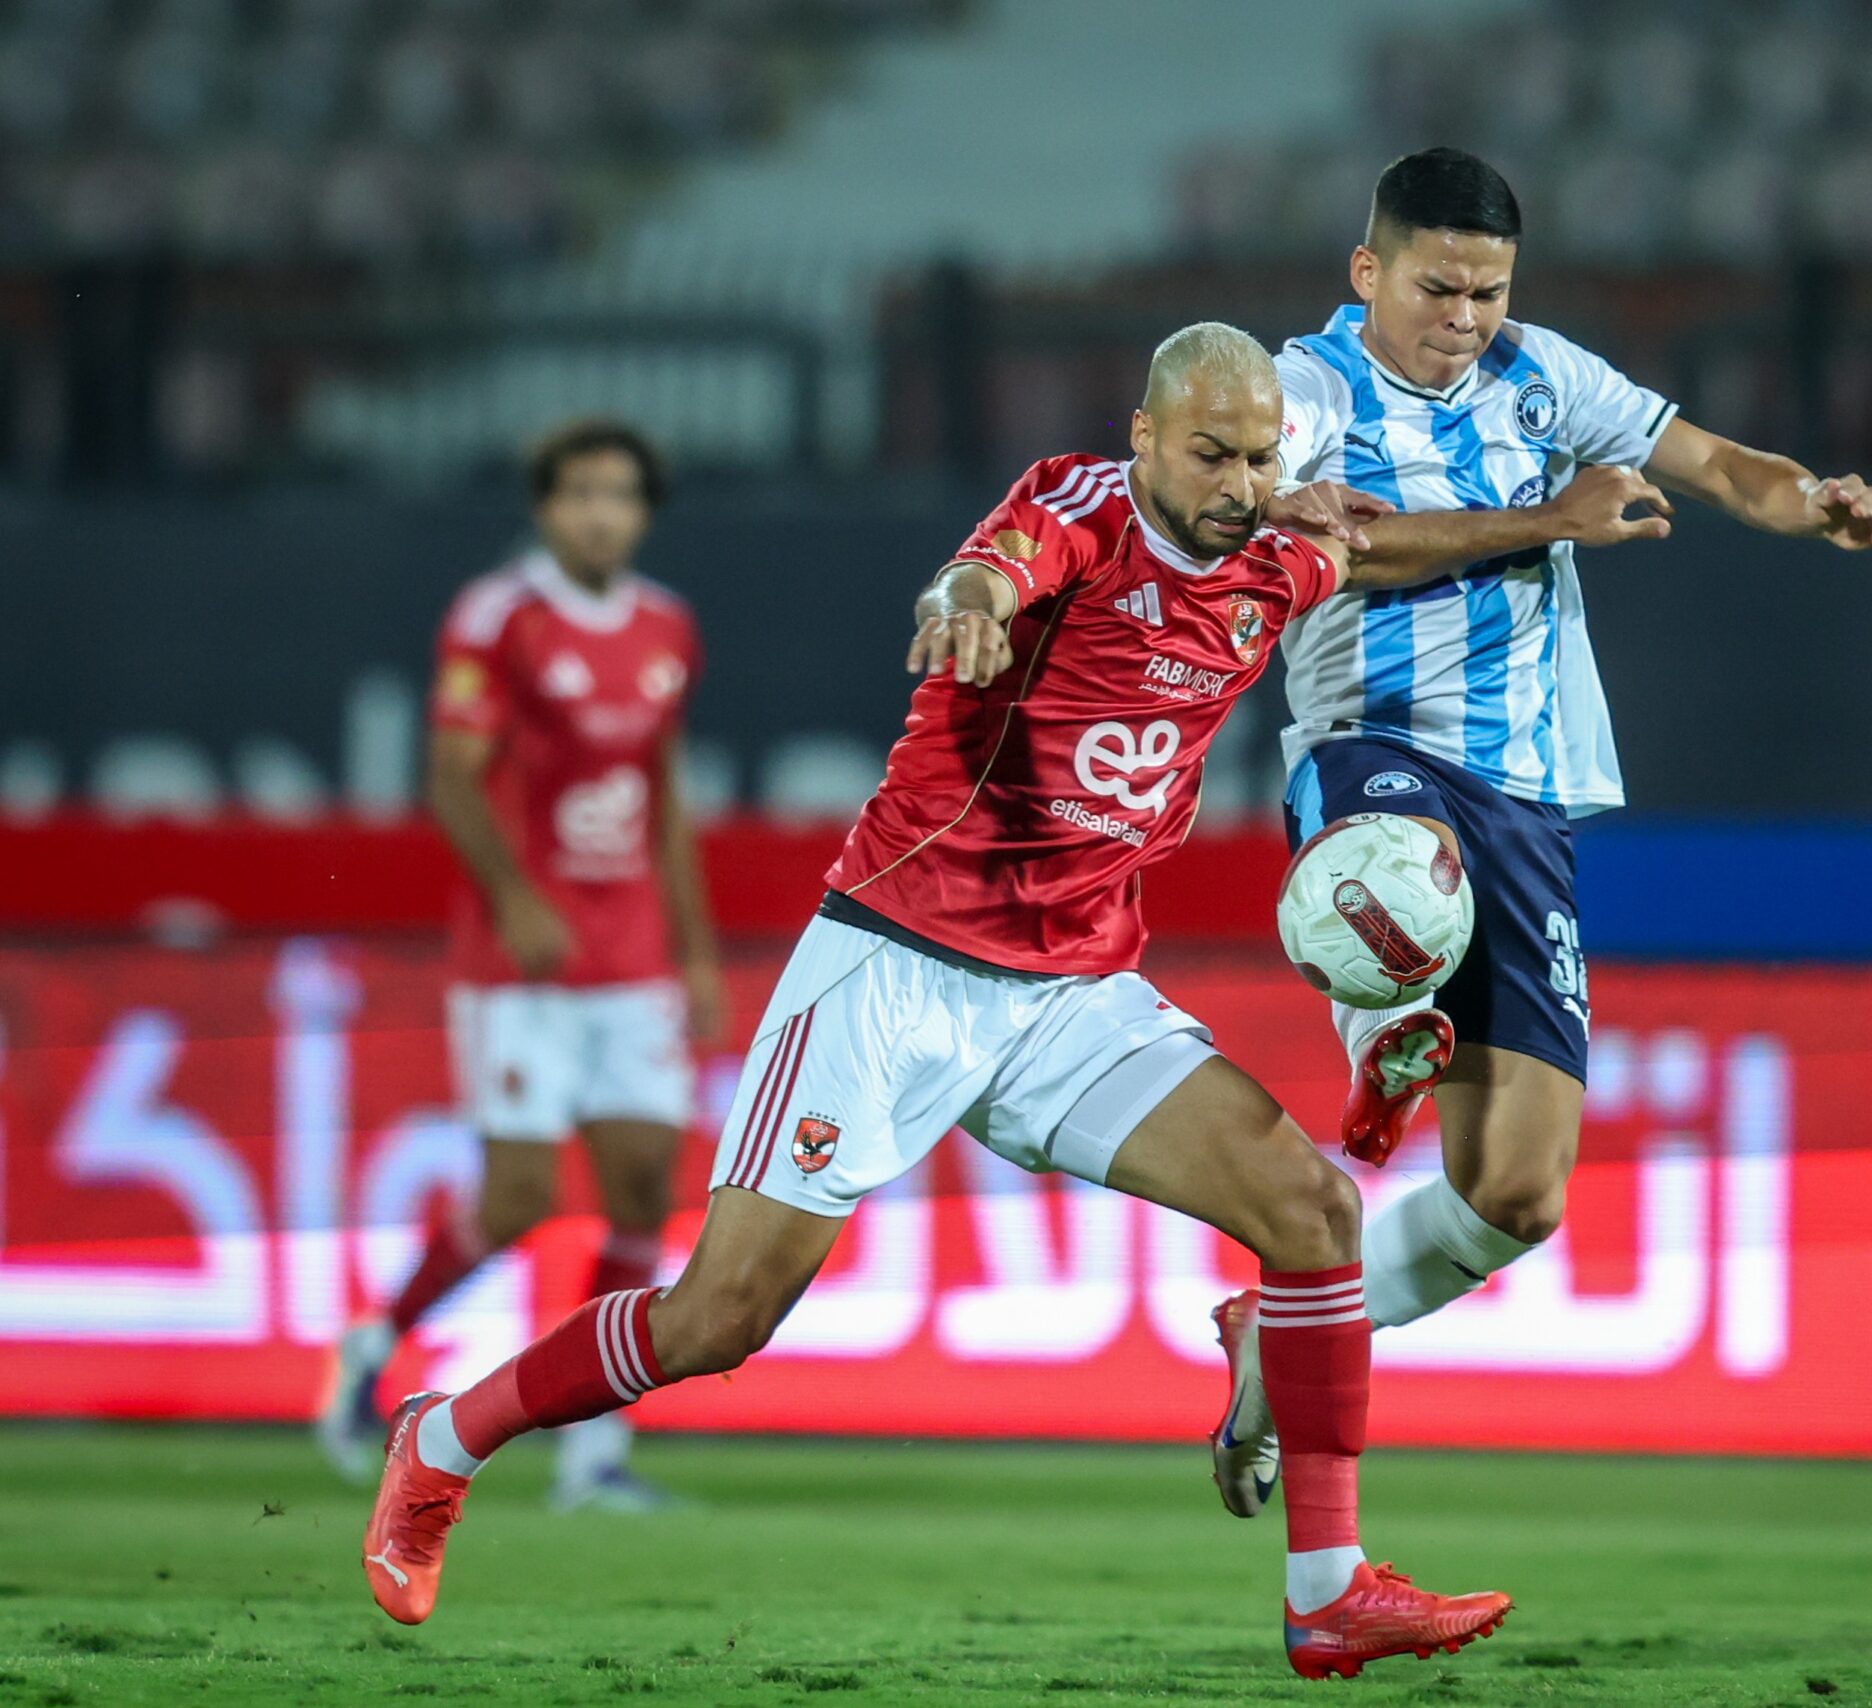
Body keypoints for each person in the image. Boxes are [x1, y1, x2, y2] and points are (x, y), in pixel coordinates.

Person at [358, 325, 1522, 1681]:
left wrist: (1564, 520)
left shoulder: (1274, 555)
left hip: (1072, 992)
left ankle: (1326, 1593)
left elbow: (1370, 551)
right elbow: (1001, 562)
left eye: (1265, 456)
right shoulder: (1077, 507)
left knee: (1315, 1213)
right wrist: (968, 599)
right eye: (1211, 452)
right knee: (720, 1319)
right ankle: (445, 1441)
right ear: (1143, 437)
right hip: (895, 966)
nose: (1242, 480)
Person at [1208, 148, 1872, 1516]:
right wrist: (1551, 517)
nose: (1467, 317)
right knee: (1392, 884)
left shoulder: (1543, 373)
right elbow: (1333, 549)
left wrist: (1811, 503)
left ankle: (1293, 1322)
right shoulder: (1301, 394)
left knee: (1517, 1199)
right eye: (1439, 287)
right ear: (1368, 273)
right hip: (1375, 744)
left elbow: (1717, 461)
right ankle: (1386, 1039)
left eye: (1489, 291)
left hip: (1529, 795)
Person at [318, 418, 724, 1513]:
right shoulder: (497, 615)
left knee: (646, 1187)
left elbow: (665, 797)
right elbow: (452, 776)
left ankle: (591, 1453)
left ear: (644, 511)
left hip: (630, 952)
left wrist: (692, 949)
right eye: (581, 492)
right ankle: (371, 1345)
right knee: (519, 1198)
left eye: (622, 494)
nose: (602, 512)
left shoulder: (666, 626)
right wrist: (513, 897)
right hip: (521, 962)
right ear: (546, 506)